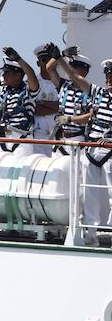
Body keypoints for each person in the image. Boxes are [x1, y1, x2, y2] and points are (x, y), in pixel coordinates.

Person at [50, 53, 112, 242]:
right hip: (92, 148)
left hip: (110, 149)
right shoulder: (98, 93)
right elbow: (73, 76)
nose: (109, 79)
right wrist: (59, 58)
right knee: (89, 193)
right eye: (107, 75)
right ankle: (91, 232)